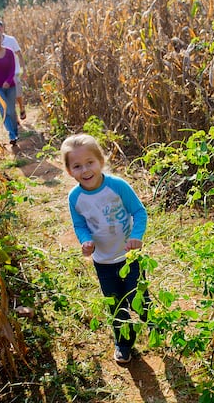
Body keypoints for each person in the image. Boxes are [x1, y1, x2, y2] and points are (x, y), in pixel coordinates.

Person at [61, 134, 150, 364]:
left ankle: (152, 321)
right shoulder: (75, 198)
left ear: (101, 161)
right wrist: (85, 241)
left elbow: (139, 212)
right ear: (70, 171)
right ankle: (123, 343)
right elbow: (79, 225)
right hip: (103, 261)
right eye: (77, 166)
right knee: (115, 303)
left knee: (137, 298)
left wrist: (136, 236)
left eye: (90, 162)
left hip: (130, 256)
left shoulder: (117, 186)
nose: (85, 170)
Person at [0, 19, 26, 120]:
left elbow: (19, 54)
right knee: (7, 99)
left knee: (17, 94)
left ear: (3, 28)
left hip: (14, 72)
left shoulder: (11, 40)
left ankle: (21, 107)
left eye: (0, 29)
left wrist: (23, 69)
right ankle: (15, 118)